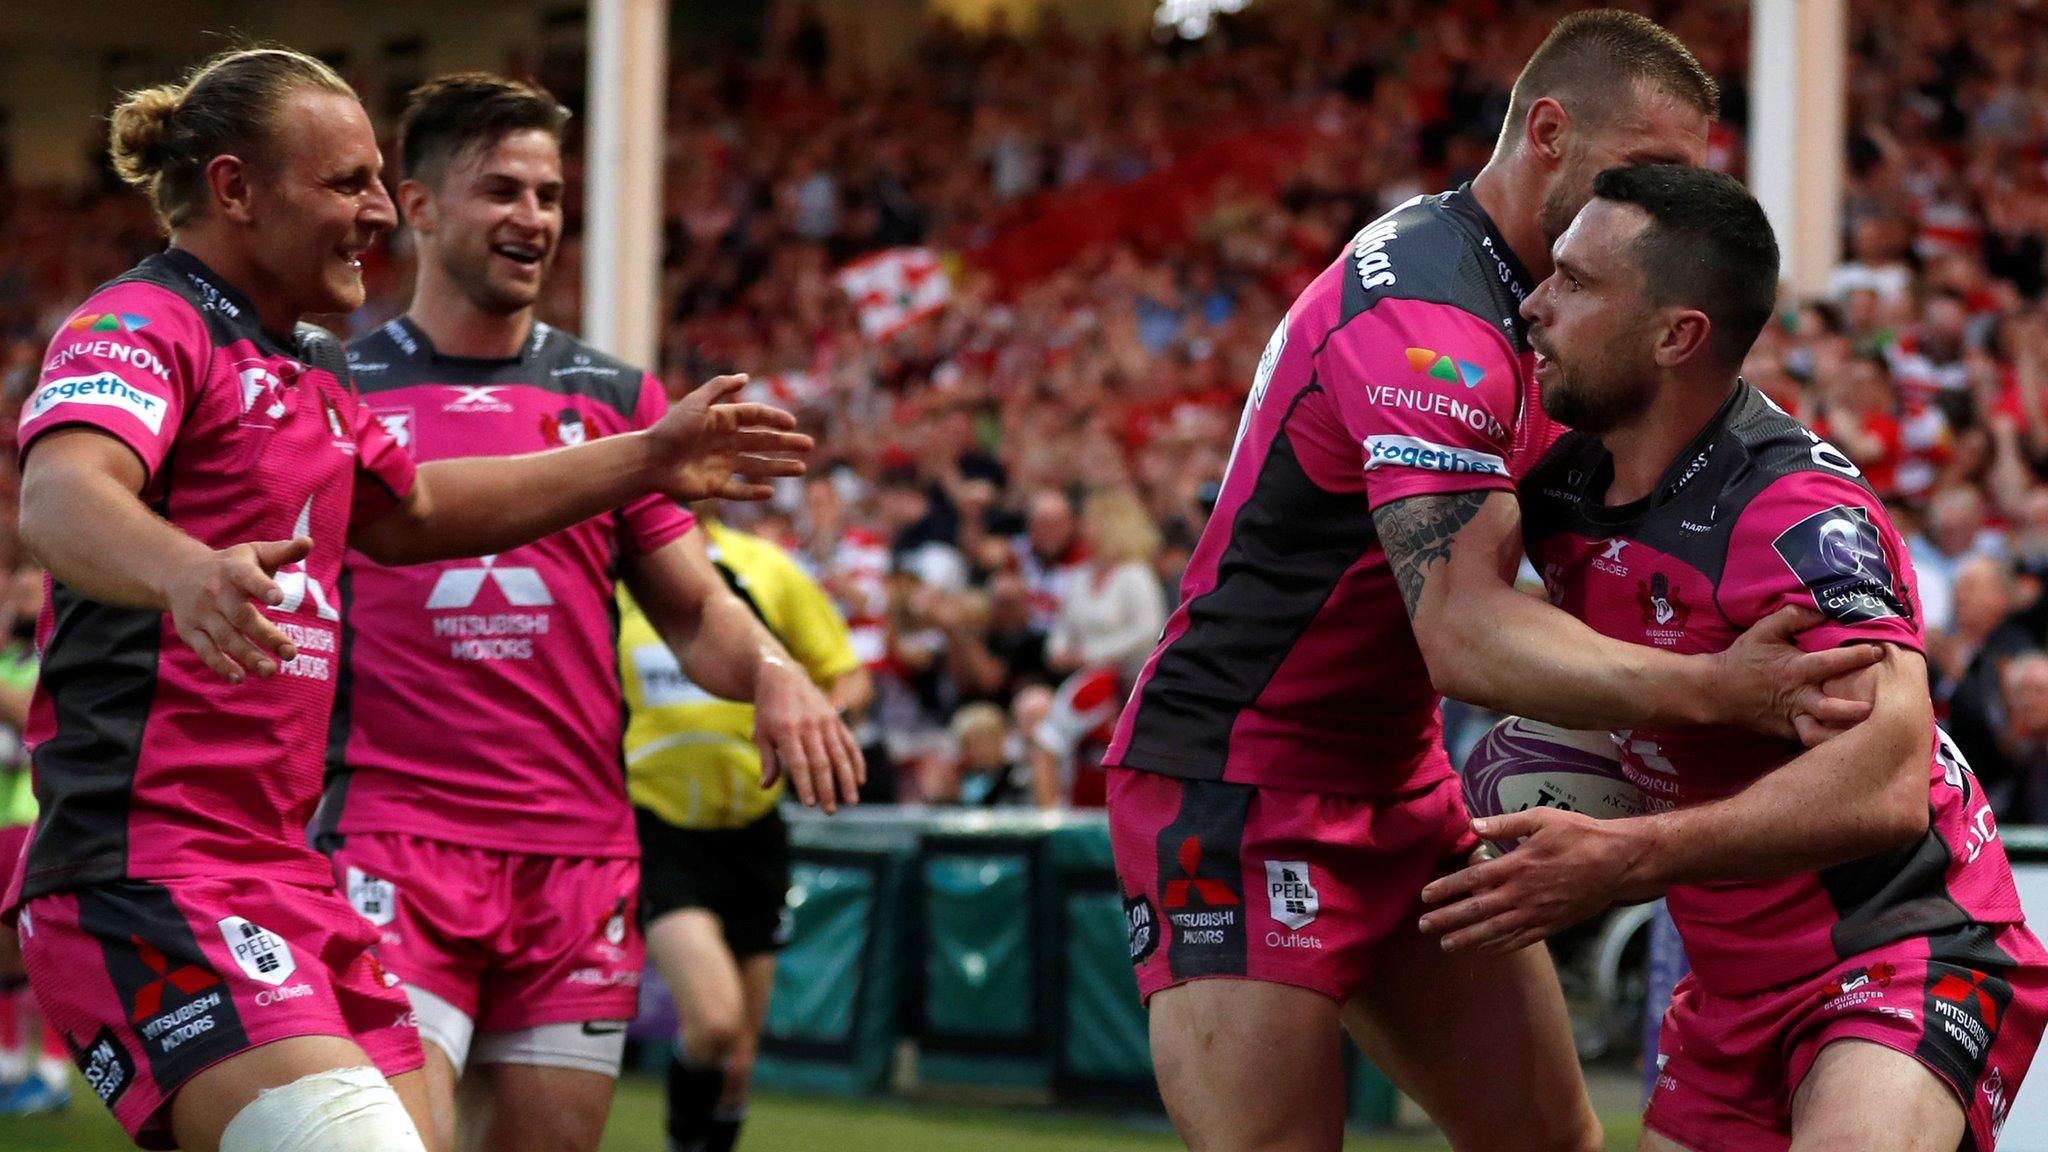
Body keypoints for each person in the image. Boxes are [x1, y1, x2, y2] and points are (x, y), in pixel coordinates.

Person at [1100, 12, 1881, 1152]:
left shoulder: (1555, 306)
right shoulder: (1429, 322)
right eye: (1648, 170)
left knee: (1552, 1143)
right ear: (1549, 134)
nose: (1665, 205)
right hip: (1228, 783)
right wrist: (1723, 690)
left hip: (1398, 781)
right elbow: (1462, 638)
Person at [10, 48, 807, 1152]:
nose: (379, 212)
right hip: (151, 873)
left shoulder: (312, 366)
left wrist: (646, 455)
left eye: (380, 180)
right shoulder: (142, 322)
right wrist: (184, 568)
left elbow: (419, 511)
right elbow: (58, 495)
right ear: (236, 189)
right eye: (347, 183)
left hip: (287, 876)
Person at [1419, 164, 2048, 1152]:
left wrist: (1620, 856)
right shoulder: (1560, 479)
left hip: (1906, 945)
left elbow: (1882, 786)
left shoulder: (1792, 514)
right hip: (1729, 986)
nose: (1533, 305)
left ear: (1676, 336)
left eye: (1576, 283)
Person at [311, 74, 860, 1152]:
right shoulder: (332, 383)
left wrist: (774, 671)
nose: (533, 219)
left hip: (579, 858)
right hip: (391, 840)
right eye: (501, 191)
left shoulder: (617, 400)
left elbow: (695, 608)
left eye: (550, 195)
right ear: (417, 207)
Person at [618, 512, 871, 1152]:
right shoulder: (621, 573)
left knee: (737, 1064)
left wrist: (816, 725)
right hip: (659, 826)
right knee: (713, 1021)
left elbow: (846, 671)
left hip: (754, 827)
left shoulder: (768, 568)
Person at [0, 567, 63, 1116]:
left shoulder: (56, 661)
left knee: (40, 951)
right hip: (3, 821)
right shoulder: (9, 663)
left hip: (34, 819)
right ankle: (12, 1068)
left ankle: (52, 1073)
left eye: (24, 593)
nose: (14, 603)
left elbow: (28, 719)